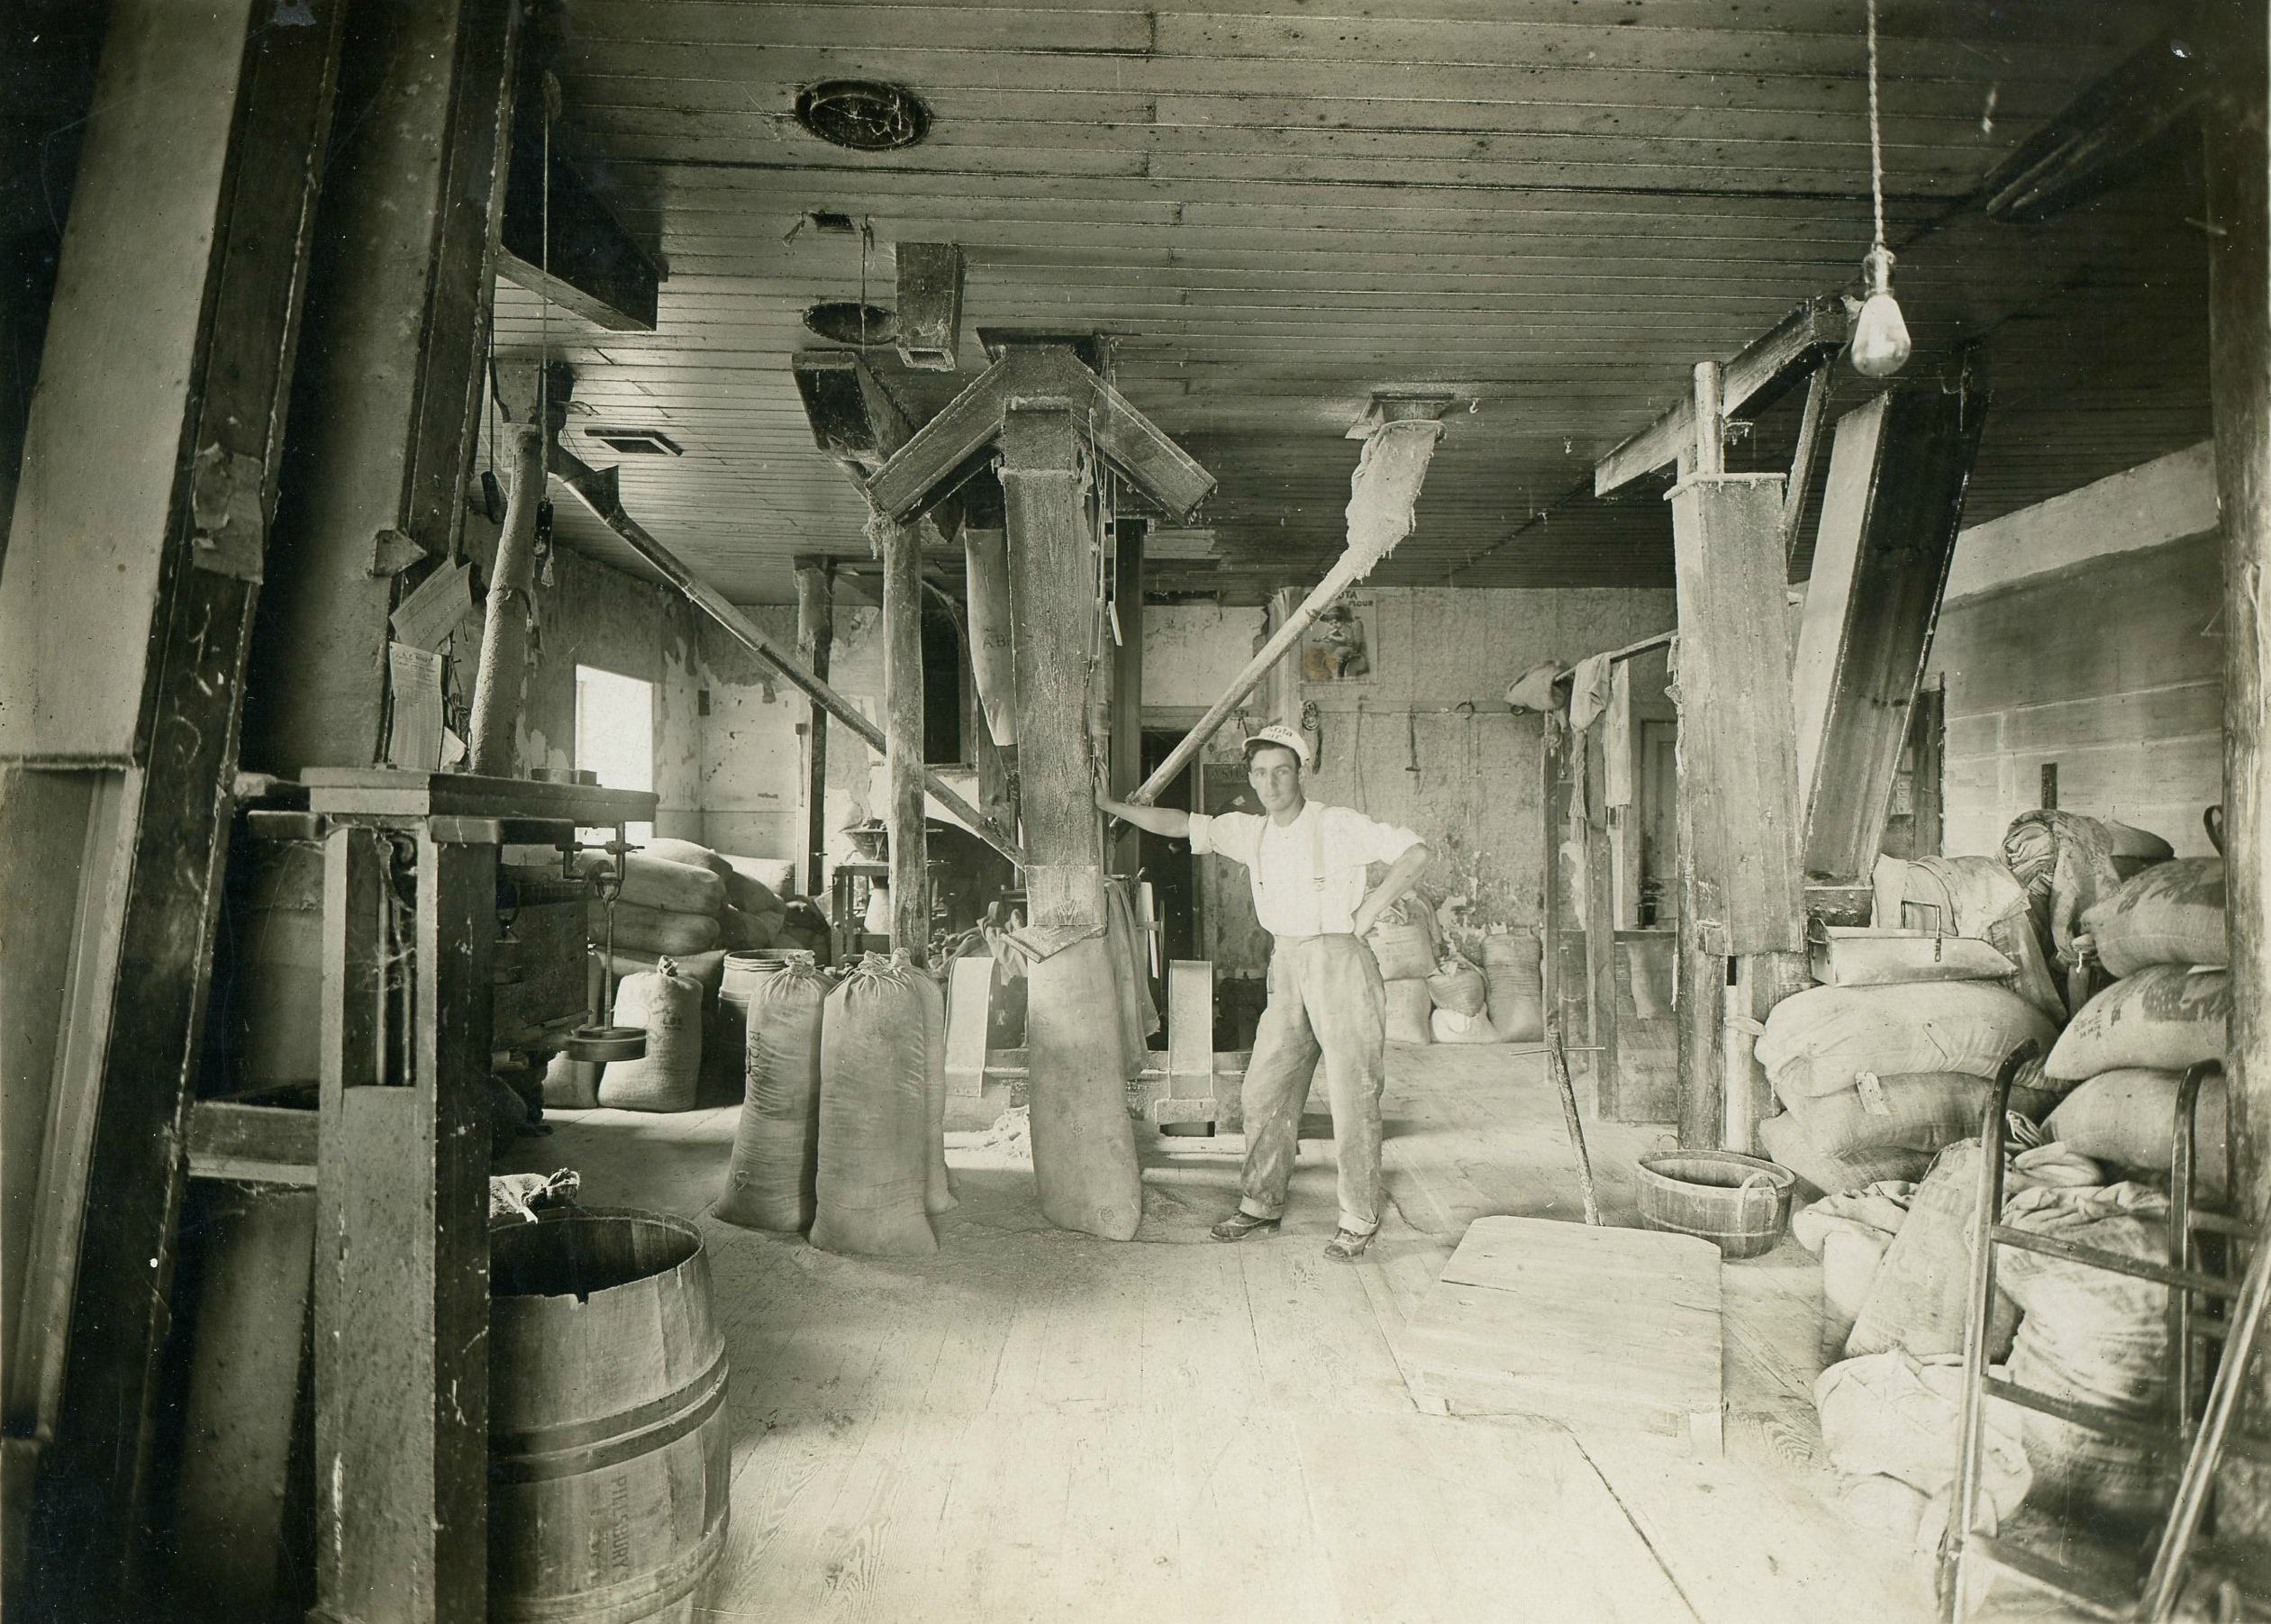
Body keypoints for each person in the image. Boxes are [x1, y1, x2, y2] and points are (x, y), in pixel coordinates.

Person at [1097, 724, 1431, 1260]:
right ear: (1250, 779)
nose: (1271, 783)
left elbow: (1416, 852)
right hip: (1287, 961)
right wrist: (1108, 804)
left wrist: (1369, 910)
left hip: (1340, 961)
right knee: (1265, 1091)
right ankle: (1261, 1204)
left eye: (1281, 771)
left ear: (1300, 772)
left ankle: (1358, 1217)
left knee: (1352, 1094)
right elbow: (1180, 823)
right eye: (1260, 774)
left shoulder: (1337, 825)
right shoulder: (1249, 832)